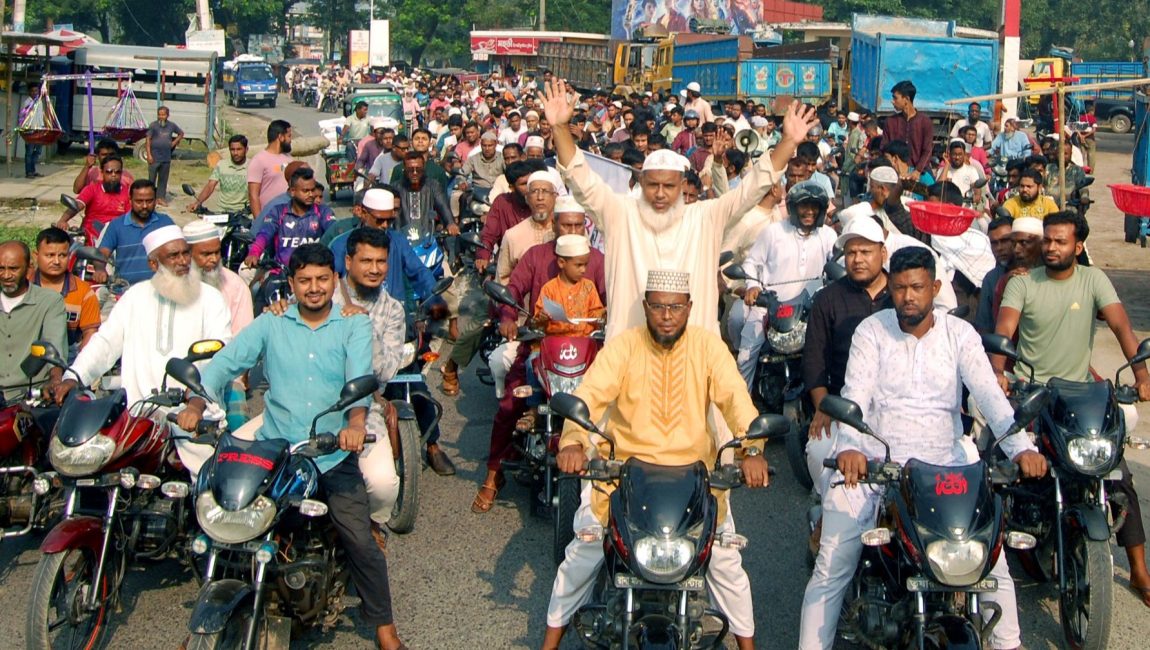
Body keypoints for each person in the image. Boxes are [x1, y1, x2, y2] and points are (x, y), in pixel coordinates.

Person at [798, 247, 1047, 650]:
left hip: (946, 464)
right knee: (833, 565)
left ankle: (1009, 644)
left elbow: (989, 395)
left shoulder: (959, 334)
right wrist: (849, 449)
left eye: (916, 287)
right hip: (880, 462)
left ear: (934, 288)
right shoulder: (872, 331)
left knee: (990, 557)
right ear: (891, 289)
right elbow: (855, 394)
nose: (907, 297)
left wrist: (1020, 448)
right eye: (899, 288)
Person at [175, 244, 406, 650]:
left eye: (321, 280)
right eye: (304, 281)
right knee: (222, 518)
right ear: (292, 284)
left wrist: (354, 425)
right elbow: (228, 362)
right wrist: (195, 401)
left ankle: (384, 628)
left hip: (330, 451)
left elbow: (360, 379)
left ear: (335, 281)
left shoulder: (353, 324)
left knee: (359, 539)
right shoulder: (272, 322)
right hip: (277, 448)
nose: (314, 289)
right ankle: (210, 615)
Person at [542, 269, 768, 650]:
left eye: (676, 308)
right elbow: (589, 396)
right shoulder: (624, 346)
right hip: (621, 477)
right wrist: (574, 443)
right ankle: (547, 645)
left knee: (728, 566)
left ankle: (748, 647)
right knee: (581, 556)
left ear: (690, 308)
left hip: (697, 484)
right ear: (646, 307)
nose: (667, 316)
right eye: (659, 307)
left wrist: (752, 450)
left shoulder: (708, 347)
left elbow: (736, 401)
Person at [544, 77, 817, 341]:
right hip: (630, 355)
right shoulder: (620, 214)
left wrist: (789, 142)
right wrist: (558, 128)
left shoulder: (704, 217)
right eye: (653, 185)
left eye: (669, 186)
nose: (660, 193)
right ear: (641, 182)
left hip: (693, 357)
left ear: (681, 185)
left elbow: (753, 187)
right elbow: (580, 178)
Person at [992, 211, 1150, 607]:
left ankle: (1138, 570)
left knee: (1117, 474)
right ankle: (985, 559)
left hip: (1081, 395)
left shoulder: (1093, 280)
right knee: (998, 467)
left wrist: (1142, 374)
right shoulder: (1022, 283)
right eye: (1048, 240)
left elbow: (1122, 329)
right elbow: (1004, 332)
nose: (1051, 247)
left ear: (1078, 247)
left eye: (1061, 241)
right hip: (1033, 394)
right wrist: (998, 372)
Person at [46, 226, 232, 475]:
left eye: (186, 253)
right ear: (154, 264)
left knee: (205, 490)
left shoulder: (211, 299)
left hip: (194, 415)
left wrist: (196, 403)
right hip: (138, 414)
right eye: (173, 256)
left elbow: (219, 357)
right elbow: (104, 343)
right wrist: (74, 377)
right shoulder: (135, 297)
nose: (184, 262)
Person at [473, 207, 606, 512]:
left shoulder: (595, 260)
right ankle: (493, 474)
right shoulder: (535, 256)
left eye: (578, 224)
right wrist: (508, 317)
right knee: (510, 404)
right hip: (540, 347)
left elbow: (608, 300)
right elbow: (514, 290)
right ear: (554, 224)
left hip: (587, 351)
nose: (572, 229)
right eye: (566, 224)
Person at [801, 217, 892, 493]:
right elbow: (815, 359)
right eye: (851, 253)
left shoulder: (901, 294)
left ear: (882, 253)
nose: (857, 259)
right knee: (819, 451)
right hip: (842, 407)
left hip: (896, 405)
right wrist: (823, 407)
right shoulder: (828, 298)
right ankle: (825, 512)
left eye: (866, 252)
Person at [736, 181, 837, 387]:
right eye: (803, 206)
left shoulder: (828, 235)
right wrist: (753, 286)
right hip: (771, 306)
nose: (809, 211)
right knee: (745, 357)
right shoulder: (773, 232)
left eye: (814, 206)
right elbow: (752, 262)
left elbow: (836, 265)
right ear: (792, 207)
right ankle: (741, 410)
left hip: (811, 310)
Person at [0, 241, 66, 403]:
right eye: (1, 269)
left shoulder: (50, 301)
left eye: (13, 269)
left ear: (29, 268)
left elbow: (54, 344)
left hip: (32, 395)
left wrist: (55, 380)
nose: (6, 275)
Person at [245, 167, 336, 268]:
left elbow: (335, 233)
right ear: (292, 191)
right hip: (281, 271)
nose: (311, 194)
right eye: (305, 191)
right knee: (247, 275)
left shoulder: (323, 212)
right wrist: (254, 253)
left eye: (313, 190)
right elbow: (265, 233)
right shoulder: (278, 212)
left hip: (315, 272)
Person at [31, 228, 101, 355]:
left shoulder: (84, 292)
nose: (56, 261)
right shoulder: (24, 286)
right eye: (50, 255)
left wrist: (79, 367)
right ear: (36, 255)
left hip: (68, 357)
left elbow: (90, 332)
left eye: (62, 255)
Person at [97, 180, 177, 285]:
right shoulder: (116, 225)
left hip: (160, 289)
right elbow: (102, 254)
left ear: (155, 200)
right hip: (125, 290)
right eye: (139, 201)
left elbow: (180, 252)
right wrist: (99, 269)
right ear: (130, 200)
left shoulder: (165, 222)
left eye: (149, 201)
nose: (144, 206)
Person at [182, 221, 253, 336]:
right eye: (206, 254)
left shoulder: (235, 285)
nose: (214, 259)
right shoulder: (175, 284)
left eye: (217, 252)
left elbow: (243, 337)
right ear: (187, 254)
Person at [495, 170, 559, 284]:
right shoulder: (512, 236)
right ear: (527, 198)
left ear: (555, 197)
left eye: (545, 191)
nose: (540, 197)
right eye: (534, 191)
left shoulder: (570, 230)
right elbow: (503, 280)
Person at [58, 154, 132, 245]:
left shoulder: (127, 193)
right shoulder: (92, 189)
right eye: (109, 172)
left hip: (116, 239)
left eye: (117, 172)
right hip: (90, 238)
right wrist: (63, 220)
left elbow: (132, 218)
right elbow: (77, 206)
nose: (113, 175)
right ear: (102, 172)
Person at [880, 81, 932, 181]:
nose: (892, 101)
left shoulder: (925, 122)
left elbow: (927, 150)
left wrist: (917, 171)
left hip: (919, 174)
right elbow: (884, 148)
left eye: (895, 98)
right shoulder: (890, 122)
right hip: (894, 174)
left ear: (906, 99)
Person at [187, 135, 250, 214]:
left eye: (239, 149)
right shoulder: (221, 165)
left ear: (246, 150)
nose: (235, 153)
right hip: (222, 211)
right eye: (232, 150)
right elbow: (210, 186)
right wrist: (197, 202)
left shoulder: (253, 166)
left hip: (243, 213)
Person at [974, 216, 1015, 334]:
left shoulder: (1036, 274)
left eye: (1005, 240)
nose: (999, 248)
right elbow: (984, 326)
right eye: (994, 243)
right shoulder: (991, 279)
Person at [247, 119, 293, 217]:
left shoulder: (288, 158)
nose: (290, 140)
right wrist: (258, 222)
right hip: (269, 219)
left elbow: (278, 169)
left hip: (288, 218)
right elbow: (253, 195)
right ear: (280, 137)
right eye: (289, 136)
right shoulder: (259, 160)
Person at [144, 106, 184, 205]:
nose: (161, 116)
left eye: (163, 115)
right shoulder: (153, 126)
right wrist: (149, 155)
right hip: (154, 157)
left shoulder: (171, 126)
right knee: (151, 179)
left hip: (166, 157)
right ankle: (150, 198)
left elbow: (181, 133)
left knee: (163, 179)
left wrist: (173, 143)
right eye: (160, 114)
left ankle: (160, 198)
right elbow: (148, 140)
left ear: (167, 115)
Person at [19, 84, 43, 178]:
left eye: (36, 91)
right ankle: (28, 172)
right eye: (32, 91)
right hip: (30, 130)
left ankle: (33, 170)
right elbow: (23, 117)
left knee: (37, 152)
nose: (34, 93)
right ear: (29, 92)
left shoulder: (40, 102)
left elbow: (40, 116)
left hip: (39, 129)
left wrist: (42, 127)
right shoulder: (27, 103)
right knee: (29, 152)